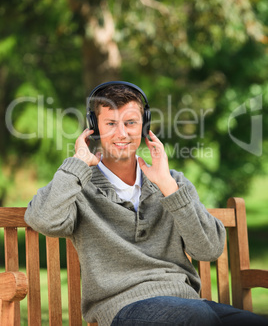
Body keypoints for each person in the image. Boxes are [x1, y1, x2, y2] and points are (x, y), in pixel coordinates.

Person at [25, 81, 268, 326]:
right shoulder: (79, 188)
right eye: (110, 124)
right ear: (94, 128)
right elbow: (43, 219)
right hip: (124, 308)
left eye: (130, 123)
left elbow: (210, 249)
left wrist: (167, 186)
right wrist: (77, 164)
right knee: (198, 318)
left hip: (189, 305)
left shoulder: (171, 183)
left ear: (144, 126)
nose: (122, 133)